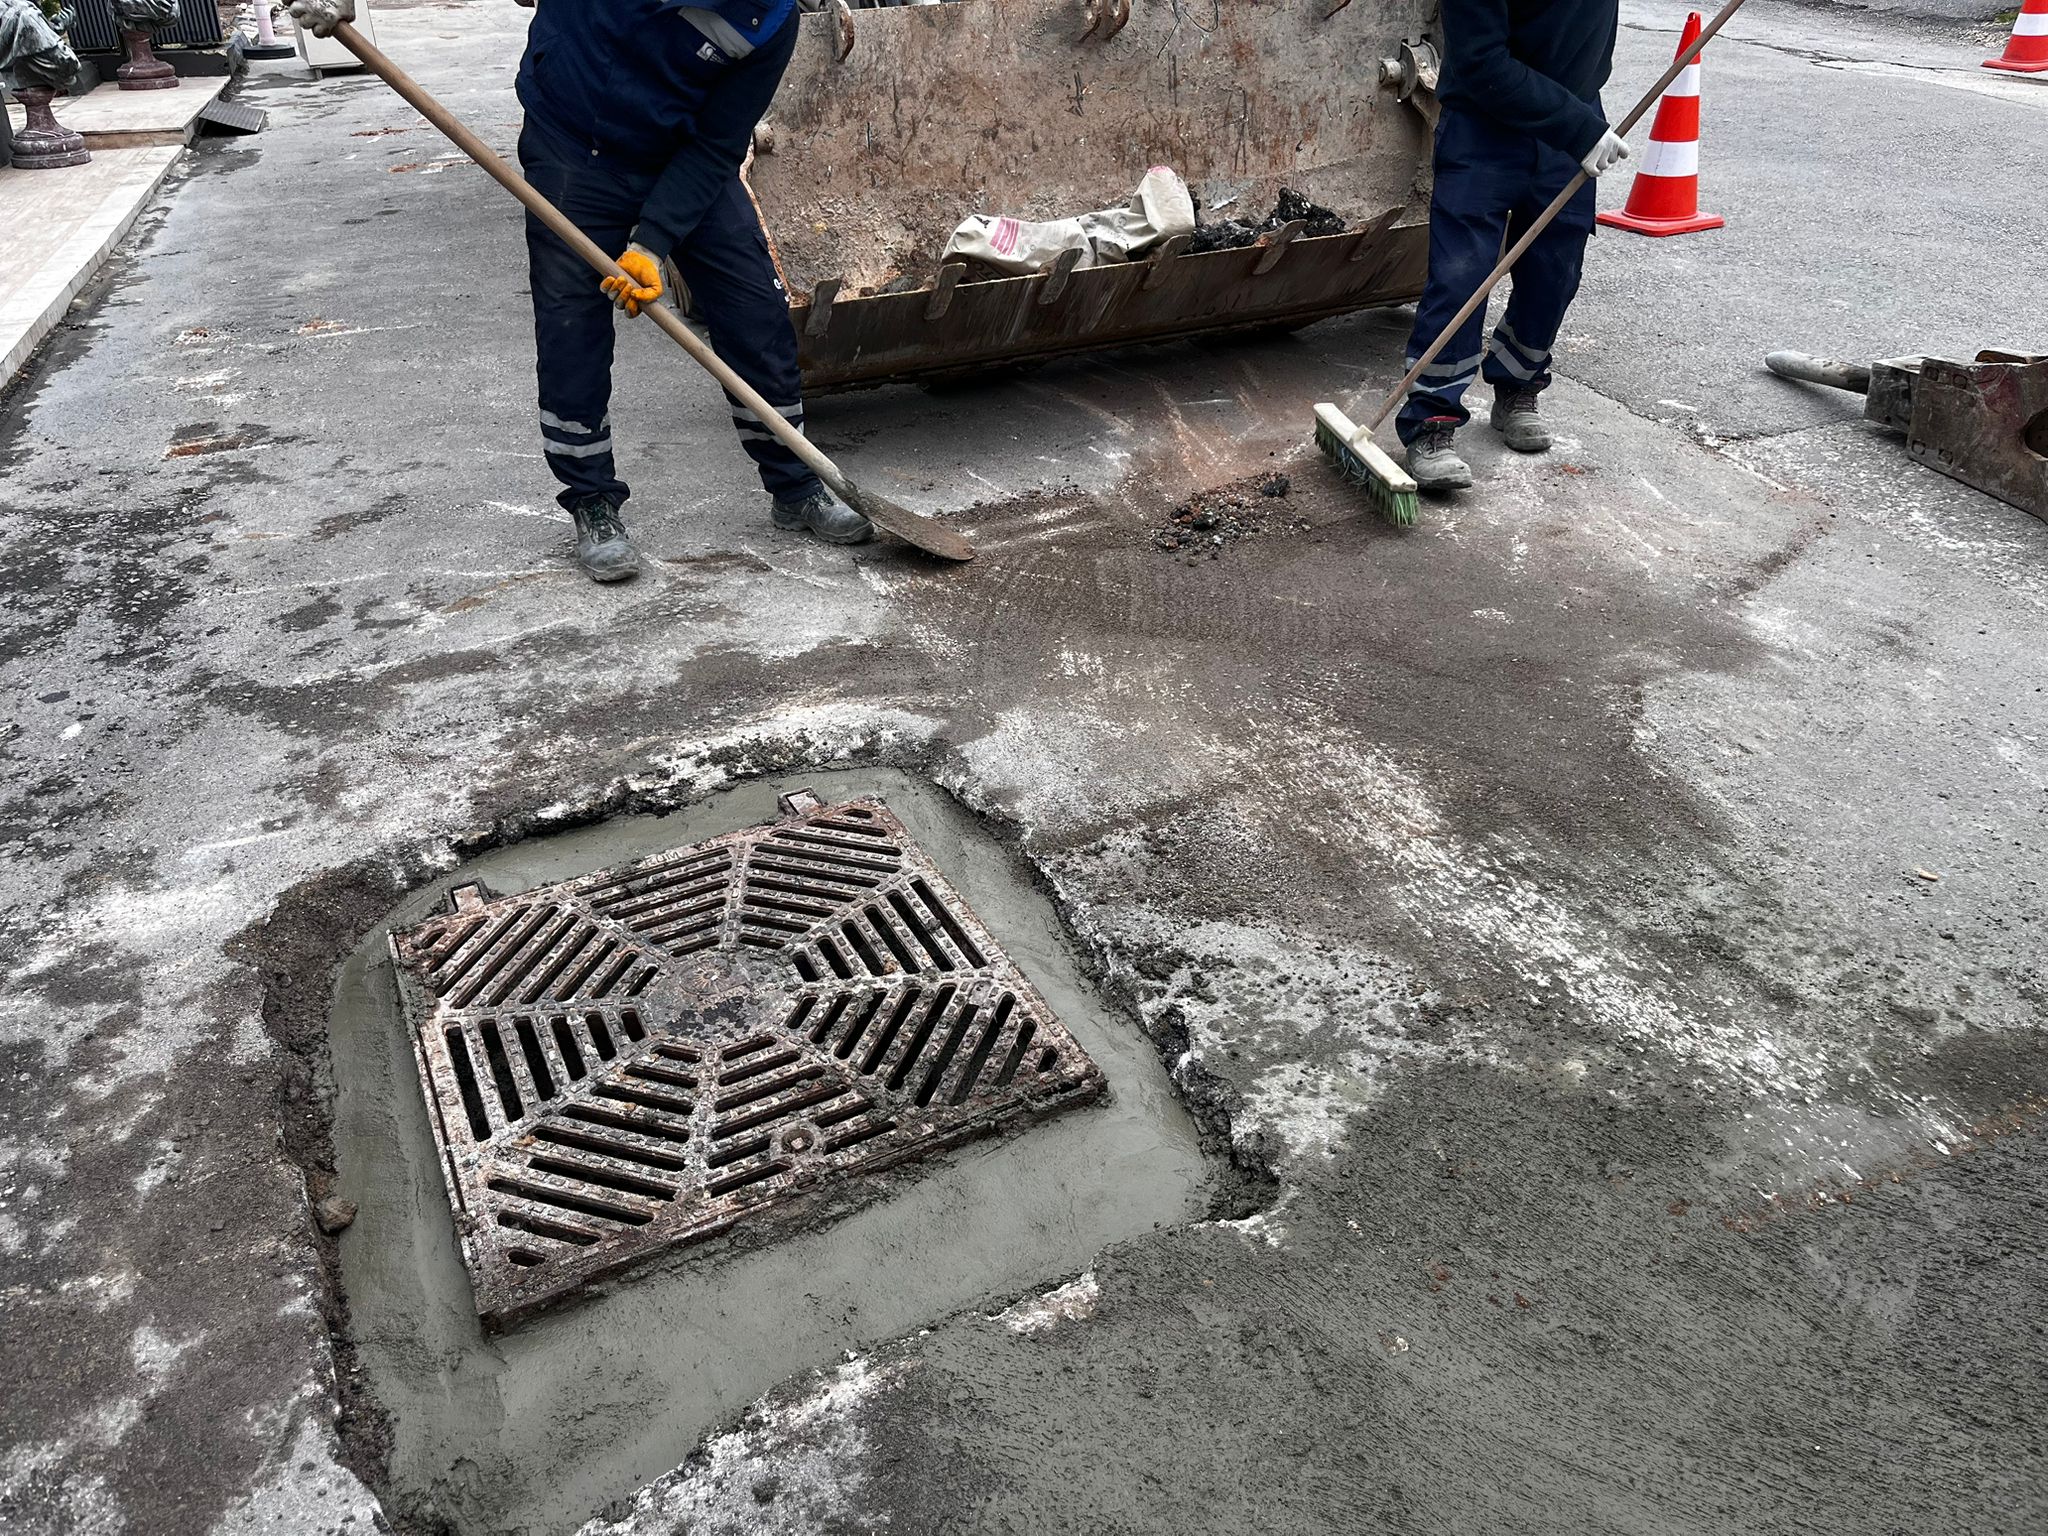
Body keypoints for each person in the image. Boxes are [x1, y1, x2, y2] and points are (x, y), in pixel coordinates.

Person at [290, 0, 870, 583]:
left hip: (681, 151)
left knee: (754, 310)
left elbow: (718, 143)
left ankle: (796, 484)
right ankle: (593, 500)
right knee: (572, 326)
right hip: (572, 145)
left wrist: (652, 243)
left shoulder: (769, 19)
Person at [1396, 0, 1631, 493]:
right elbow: (1482, 62)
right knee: (1462, 274)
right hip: (1485, 123)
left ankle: (1518, 383)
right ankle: (1431, 420)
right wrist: (1580, 128)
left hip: (1571, 114)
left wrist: (1580, 121)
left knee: (1556, 270)